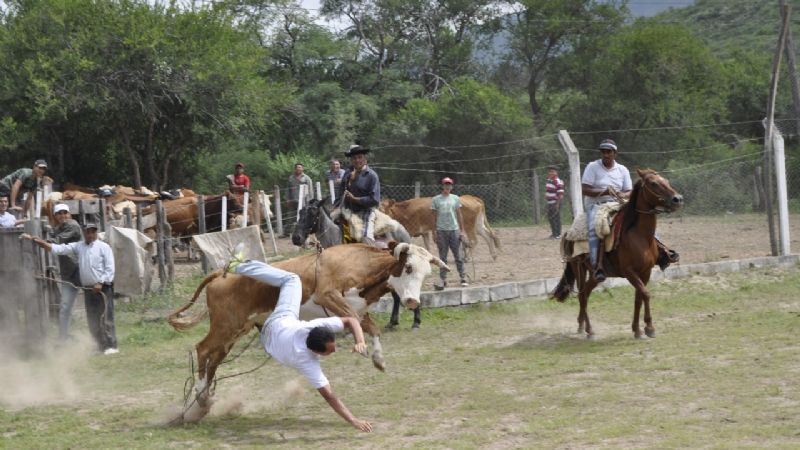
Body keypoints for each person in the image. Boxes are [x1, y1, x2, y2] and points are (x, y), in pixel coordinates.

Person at [228, 255, 373, 432]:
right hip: (274, 332)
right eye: (330, 350)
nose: (334, 352)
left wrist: (360, 342)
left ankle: (239, 266)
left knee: (291, 279)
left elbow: (351, 320)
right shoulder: (307, 361)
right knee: (293, 280)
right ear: (316, 351)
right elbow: (330, 397)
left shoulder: (312, 331)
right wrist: (353, 420)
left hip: (279, 323)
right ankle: (238, 266)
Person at [21, 222, 118, 354]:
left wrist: (100, 282)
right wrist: (41, 242)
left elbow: (110, 268)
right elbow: (60, 248)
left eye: (92, 231)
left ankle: (111, 345)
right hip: (89, 289)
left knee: (106, 316)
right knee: (92, 318)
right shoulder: (79, 246)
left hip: (103, 288)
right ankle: (99, 346)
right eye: (88, 232)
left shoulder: (104, 247)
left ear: (96, 232)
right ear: (84, 233)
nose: (90, 234)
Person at [581, 139, 632, 282]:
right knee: (594, 229)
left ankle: (662, 251)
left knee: (639, 217)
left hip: (618, 203)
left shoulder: (622, 170)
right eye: (603, 152)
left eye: (609, 152)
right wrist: (604, 192)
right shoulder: (592, 167)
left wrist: (622, 195)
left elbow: (629, 190)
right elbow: (585, 189)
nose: (605, 154)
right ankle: (597, 266)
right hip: (596, 204)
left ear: (615, 153)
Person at [49, 204, 83, 341]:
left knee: (94, 303)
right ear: (56, 216)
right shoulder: (59, 228)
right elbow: (52, 233)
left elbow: (56, 241)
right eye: (59, 213)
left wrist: (38, 237)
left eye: (65, 212)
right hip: (68, 273)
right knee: (65, 306)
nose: (62, 215)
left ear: (69, 214)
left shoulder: (73, 225)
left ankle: (101, 335)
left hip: (82, 270)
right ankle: (63, 338)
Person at [334, 145, 381, 244]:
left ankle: (372, 257)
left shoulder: (372, 176)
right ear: (351, 160)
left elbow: (374, 200)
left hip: (365, 212)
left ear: (365, 159)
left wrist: (355, 199)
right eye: (354, 158)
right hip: (347, 211)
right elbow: (340, 193)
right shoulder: (347, 174)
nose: (357, 160)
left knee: (366, 238)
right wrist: (336, 206)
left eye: (360, 157)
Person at [431, 177, 468, 289]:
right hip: (441, 231)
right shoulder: (436, 199)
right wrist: (434, 232)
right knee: (443, 257)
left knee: (458, 255)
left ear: (451, 186)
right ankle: (443, 280)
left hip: (454, 230)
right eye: (445, 184)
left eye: (449, 185)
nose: (447, 187)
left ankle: (463, 277)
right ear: (442, 186)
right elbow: (433, 217)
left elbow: (459, 214)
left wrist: (462, 231)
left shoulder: (455, 198)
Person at [286, 163, 313, 233]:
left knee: (303, 217)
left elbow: (310, 190)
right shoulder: (291, 178)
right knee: (290, 216)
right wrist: (288, 199)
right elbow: (288, 189)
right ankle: (286, 232)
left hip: (304, 202)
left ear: (302, 169)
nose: (298, 169)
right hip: (293, 201)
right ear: (295, 169)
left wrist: (310, 201)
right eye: (297, 167)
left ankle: (303, 232)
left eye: (300, 167)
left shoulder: (306, 178)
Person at [545, 165, 566, 239]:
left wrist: (557, 204)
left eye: (552, 171)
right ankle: (553, 233)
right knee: (551, 218)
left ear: (556, 173)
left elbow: (560, 194)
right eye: (550, 171)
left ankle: (558, 234)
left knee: (556, 218)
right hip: (550, 203)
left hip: (555, 202)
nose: (550, 173)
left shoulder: (558, 181)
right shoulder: (549, 180)